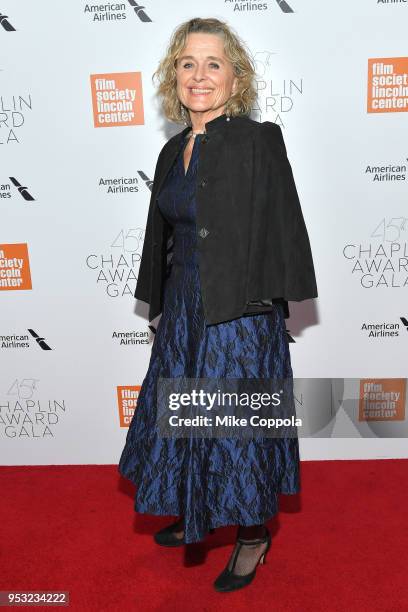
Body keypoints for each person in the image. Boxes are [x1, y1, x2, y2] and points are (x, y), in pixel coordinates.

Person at [118, 17, 318, 593]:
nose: (198, 75)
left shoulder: (258, 142)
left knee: (237, 432)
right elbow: (165, 237)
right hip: (183, 312)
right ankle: (194, 509)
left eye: (213, 64)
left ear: (236, 77)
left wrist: (263, 316)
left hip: (238, 315)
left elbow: (286, 231)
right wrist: (160, 304)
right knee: (185, 422)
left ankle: (253, 536)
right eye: (187, 63)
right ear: (172, 76)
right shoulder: (170, 151)